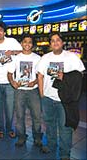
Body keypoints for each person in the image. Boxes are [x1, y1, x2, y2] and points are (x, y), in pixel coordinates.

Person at [37, 32, 85, 160]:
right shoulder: (45, 58)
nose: (55, 42)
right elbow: (40, 76)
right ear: (50, 44)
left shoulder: (72, 57)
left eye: (58, 40)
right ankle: (51, 146)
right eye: (52, 41)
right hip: (48, 98)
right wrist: (42, 94)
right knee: (50, 125)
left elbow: (80, 75)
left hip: (65, 100)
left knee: (65, 128)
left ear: (62, 42)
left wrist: (65, 77)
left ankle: (64, 153)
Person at [0, 22, 22, 138]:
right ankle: (0, 129)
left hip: (9, 82)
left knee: (9, 108)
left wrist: (13, 52)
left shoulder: (11, 41)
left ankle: (9, 128)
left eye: (0, 30)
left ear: (4, 32)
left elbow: (23, 51)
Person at [7, 34, 42, 147]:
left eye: (30, 42)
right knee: (19, 116)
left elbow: (40, 75)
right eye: (25, 41)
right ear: (21, 43)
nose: (27, 44)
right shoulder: (16, 58)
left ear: (32, 44)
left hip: (33, 91)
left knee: (36, 116)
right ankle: (21, 137)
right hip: (20, 91)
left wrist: (35, 82)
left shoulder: (37, 58)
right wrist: (13, 83)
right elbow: (10, 73)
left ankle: (37, 137)